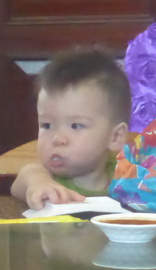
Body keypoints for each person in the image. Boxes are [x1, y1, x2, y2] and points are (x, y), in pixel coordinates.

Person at [12, 45, 131, 211]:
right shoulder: (46, 178)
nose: (57, 139)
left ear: (115, 137)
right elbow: (26, 177)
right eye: (46, 125)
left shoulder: (126, 178)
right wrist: (38, 183)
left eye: (75, 126)